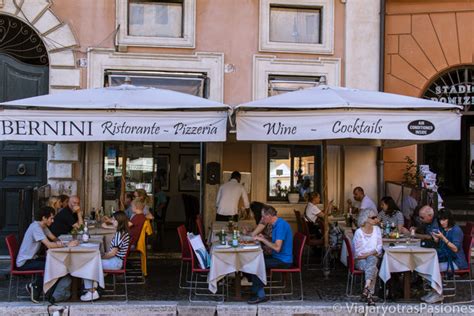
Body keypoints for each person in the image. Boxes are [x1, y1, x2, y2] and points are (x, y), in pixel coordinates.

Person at [17, 206, 78, 303]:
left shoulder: (43, 226)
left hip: (32, 259)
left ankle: (46, 290)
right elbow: (49, 245)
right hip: (25, 262)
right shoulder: (36, 228)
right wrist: (67, 244)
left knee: (56, 262)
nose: (53, 221)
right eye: (51, 218)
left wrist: (64, 243)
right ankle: (36, 287)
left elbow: (54, 239)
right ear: (44, 218)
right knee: (53, 265)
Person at [419, 209, 468, 304]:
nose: (442, 222)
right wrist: (436, 240)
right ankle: (435, 291)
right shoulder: (443, 229)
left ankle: (438, 293)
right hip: (446, 258)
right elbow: (441, 245)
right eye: (440, 220)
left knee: (429, 268)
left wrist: (443, 238)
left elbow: (455, 249)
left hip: (457, 261)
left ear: (449, 219)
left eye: (444, 220)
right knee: (422, 266)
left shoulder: (456, 230)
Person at [247, 205, 293, 304]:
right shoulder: (277, 224)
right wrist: (265, 237)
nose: (262, 219)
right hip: (278, 257)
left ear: (269, 216)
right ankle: (256, 287)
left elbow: (277, 247)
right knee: (253, 259)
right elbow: (276, 242)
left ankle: (259, 295)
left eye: (263, 217)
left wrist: (263, 239)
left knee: (256, 263)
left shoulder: (280, 226)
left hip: (283, 260)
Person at [81, 211, 130, 301]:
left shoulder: (119, 234)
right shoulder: (122, 232)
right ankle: (93, 288)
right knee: (91, 262)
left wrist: (99, 257)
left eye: (114, 220)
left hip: (115, 262)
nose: (112, 221)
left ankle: (92, 292)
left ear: (120, 221)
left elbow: (112, 253)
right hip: (116, 261)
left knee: (87, 264)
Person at [352, 208, 382, 306]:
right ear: (366, 219)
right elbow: (358, 254)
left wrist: (369, 254)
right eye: (373, 217)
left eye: (376, 217)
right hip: (360, 261)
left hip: (370, 259)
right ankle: (369, 292)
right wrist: (372, 253)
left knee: (372, 260)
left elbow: (379, 249)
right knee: (374, 268)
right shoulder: (359, 232)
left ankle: (367, 289)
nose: (376, 219)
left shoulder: (377, 230)